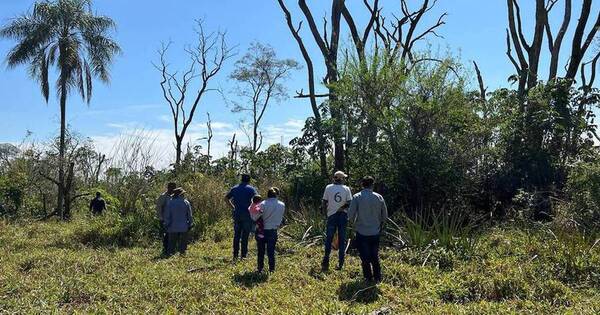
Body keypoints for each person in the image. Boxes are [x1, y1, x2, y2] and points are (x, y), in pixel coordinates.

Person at [347, 176, 388, 283]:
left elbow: (350, 215)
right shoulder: (379, 197)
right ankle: (378, 277)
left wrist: (354, 225)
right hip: (375, 231)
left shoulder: (357, 197)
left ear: (362, 184)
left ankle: (368, 278)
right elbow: (385, 216)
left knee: (365, 257)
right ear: (372, 184)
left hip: (361, 232)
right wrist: (380, 225)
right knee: (374, 255)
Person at [321, 171, 353, 271]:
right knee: (342, 239)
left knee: (329, 239)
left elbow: (324, 201)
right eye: (343, 178)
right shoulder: (346, 189)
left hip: (331, 215)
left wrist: (324, 213)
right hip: (342, 215)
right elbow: (349, 202)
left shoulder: (328, 187)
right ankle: (341, 263)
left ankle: (326, 261)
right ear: (341, 179)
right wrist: (341, 208)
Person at [252, 187, 285, 273]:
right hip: (273, 230)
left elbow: (255, 217)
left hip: (262, 230)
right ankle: (272, 269)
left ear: (268, 195)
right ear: (277, 195)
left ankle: (260, 268)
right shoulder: (282, 205)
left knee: (261, 251)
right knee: (271, 251)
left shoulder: (262, 204)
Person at [225, 174, 257, 260]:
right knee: (245, 236)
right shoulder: (251, 189)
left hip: (237, 214)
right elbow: (257, 200)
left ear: (241, 179)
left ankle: (235, 255)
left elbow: (226, 198)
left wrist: (233, 207)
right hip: (247, 215)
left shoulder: (235, 188)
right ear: (249, 180)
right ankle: (243, 255)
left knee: (237, 235)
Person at [164, 187, 193, 256]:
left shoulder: (170, 203)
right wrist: (190, 224)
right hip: (184, 226)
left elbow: (167, 215)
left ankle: (170, 255)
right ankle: (182, 255)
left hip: (172, 226)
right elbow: (189, 215)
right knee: (183, 244)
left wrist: (166, 224)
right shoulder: (186, 202)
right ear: (181, 194)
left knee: (171, 243)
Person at [156, 182, 177, 256]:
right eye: (172, 188)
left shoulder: (174, 196)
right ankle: (166, 250)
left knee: (172, 235)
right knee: (166, 235)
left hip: (173, 220)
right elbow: (158, 208)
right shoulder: (163, 196)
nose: (173, 189)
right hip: (165, 220)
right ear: (168, 188)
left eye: (174, 188)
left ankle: (171, 249)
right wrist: (161, 219)